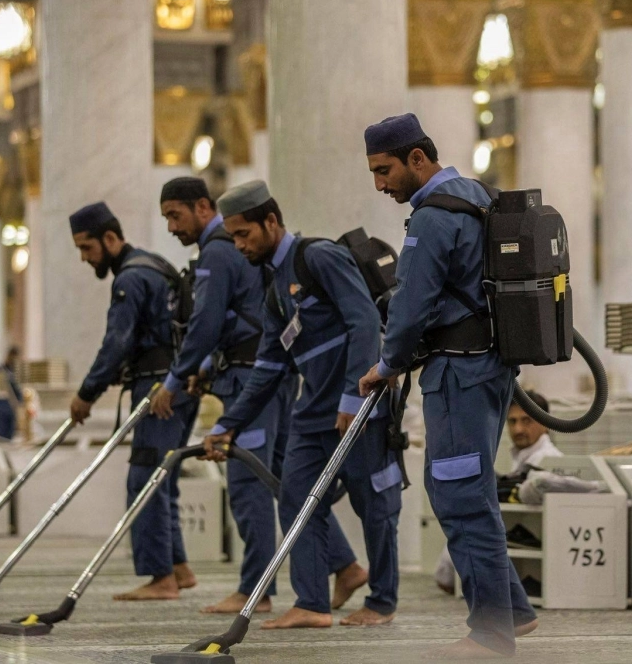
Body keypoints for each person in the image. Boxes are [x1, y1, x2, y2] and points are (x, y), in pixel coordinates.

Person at [358, 113, 538, 659]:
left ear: (418, 158)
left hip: (459, 371)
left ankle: (491, 632)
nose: (380, 184)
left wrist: (385, 365)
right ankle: (515, 612)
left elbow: (411, 306)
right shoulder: (478, 196)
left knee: (459, 493)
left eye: (384, 170)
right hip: (488, 366)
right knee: (467, 489)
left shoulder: (434, 216)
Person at [150, 177, 362, 615]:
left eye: (175, 214)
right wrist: (209, 367)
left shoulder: (216, 252)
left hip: (254, 380)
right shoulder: (235, 251)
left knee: (249, 481)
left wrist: (175, 379)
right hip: (259, 375)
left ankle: (256, 589)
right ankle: (343, 565)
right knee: (283, 479)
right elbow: (240, 319)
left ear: (203, 208)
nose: (171, 226)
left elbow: (207, 324)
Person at [201, 180, 401, 629]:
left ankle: (382, 601)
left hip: (361, 408)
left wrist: (356, 394)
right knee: (295, 499)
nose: (238, 245)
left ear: (270, 221)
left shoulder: (319, 257)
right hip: (313, 413)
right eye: (232, 237)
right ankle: (312, 603)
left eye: (243, 234)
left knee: (376, 503)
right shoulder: (273, 291)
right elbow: (268, 370)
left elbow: (364, 319)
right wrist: (226, 425)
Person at [68, 201, 199, 601]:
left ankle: (160, 577)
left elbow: (117, 341)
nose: (85, 258)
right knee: (164, 475)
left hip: (157, 389)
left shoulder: (130, 277)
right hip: (182, 384)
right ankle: (178, 567)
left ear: (110, 238)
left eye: (87, 248)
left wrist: (86, 393)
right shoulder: (155, 264)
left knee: (144, 477)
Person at [434, 389, 562, 594]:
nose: (518, 429)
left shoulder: (548, 460)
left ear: (546, 423)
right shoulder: (522, 457)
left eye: (526, 420)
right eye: (512, 422)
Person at [0, 346, 24, 440]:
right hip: (1, 405)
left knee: (9, 433)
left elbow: (19, 393)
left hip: (12, 407)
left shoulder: (16, 373)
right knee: (0, 433)